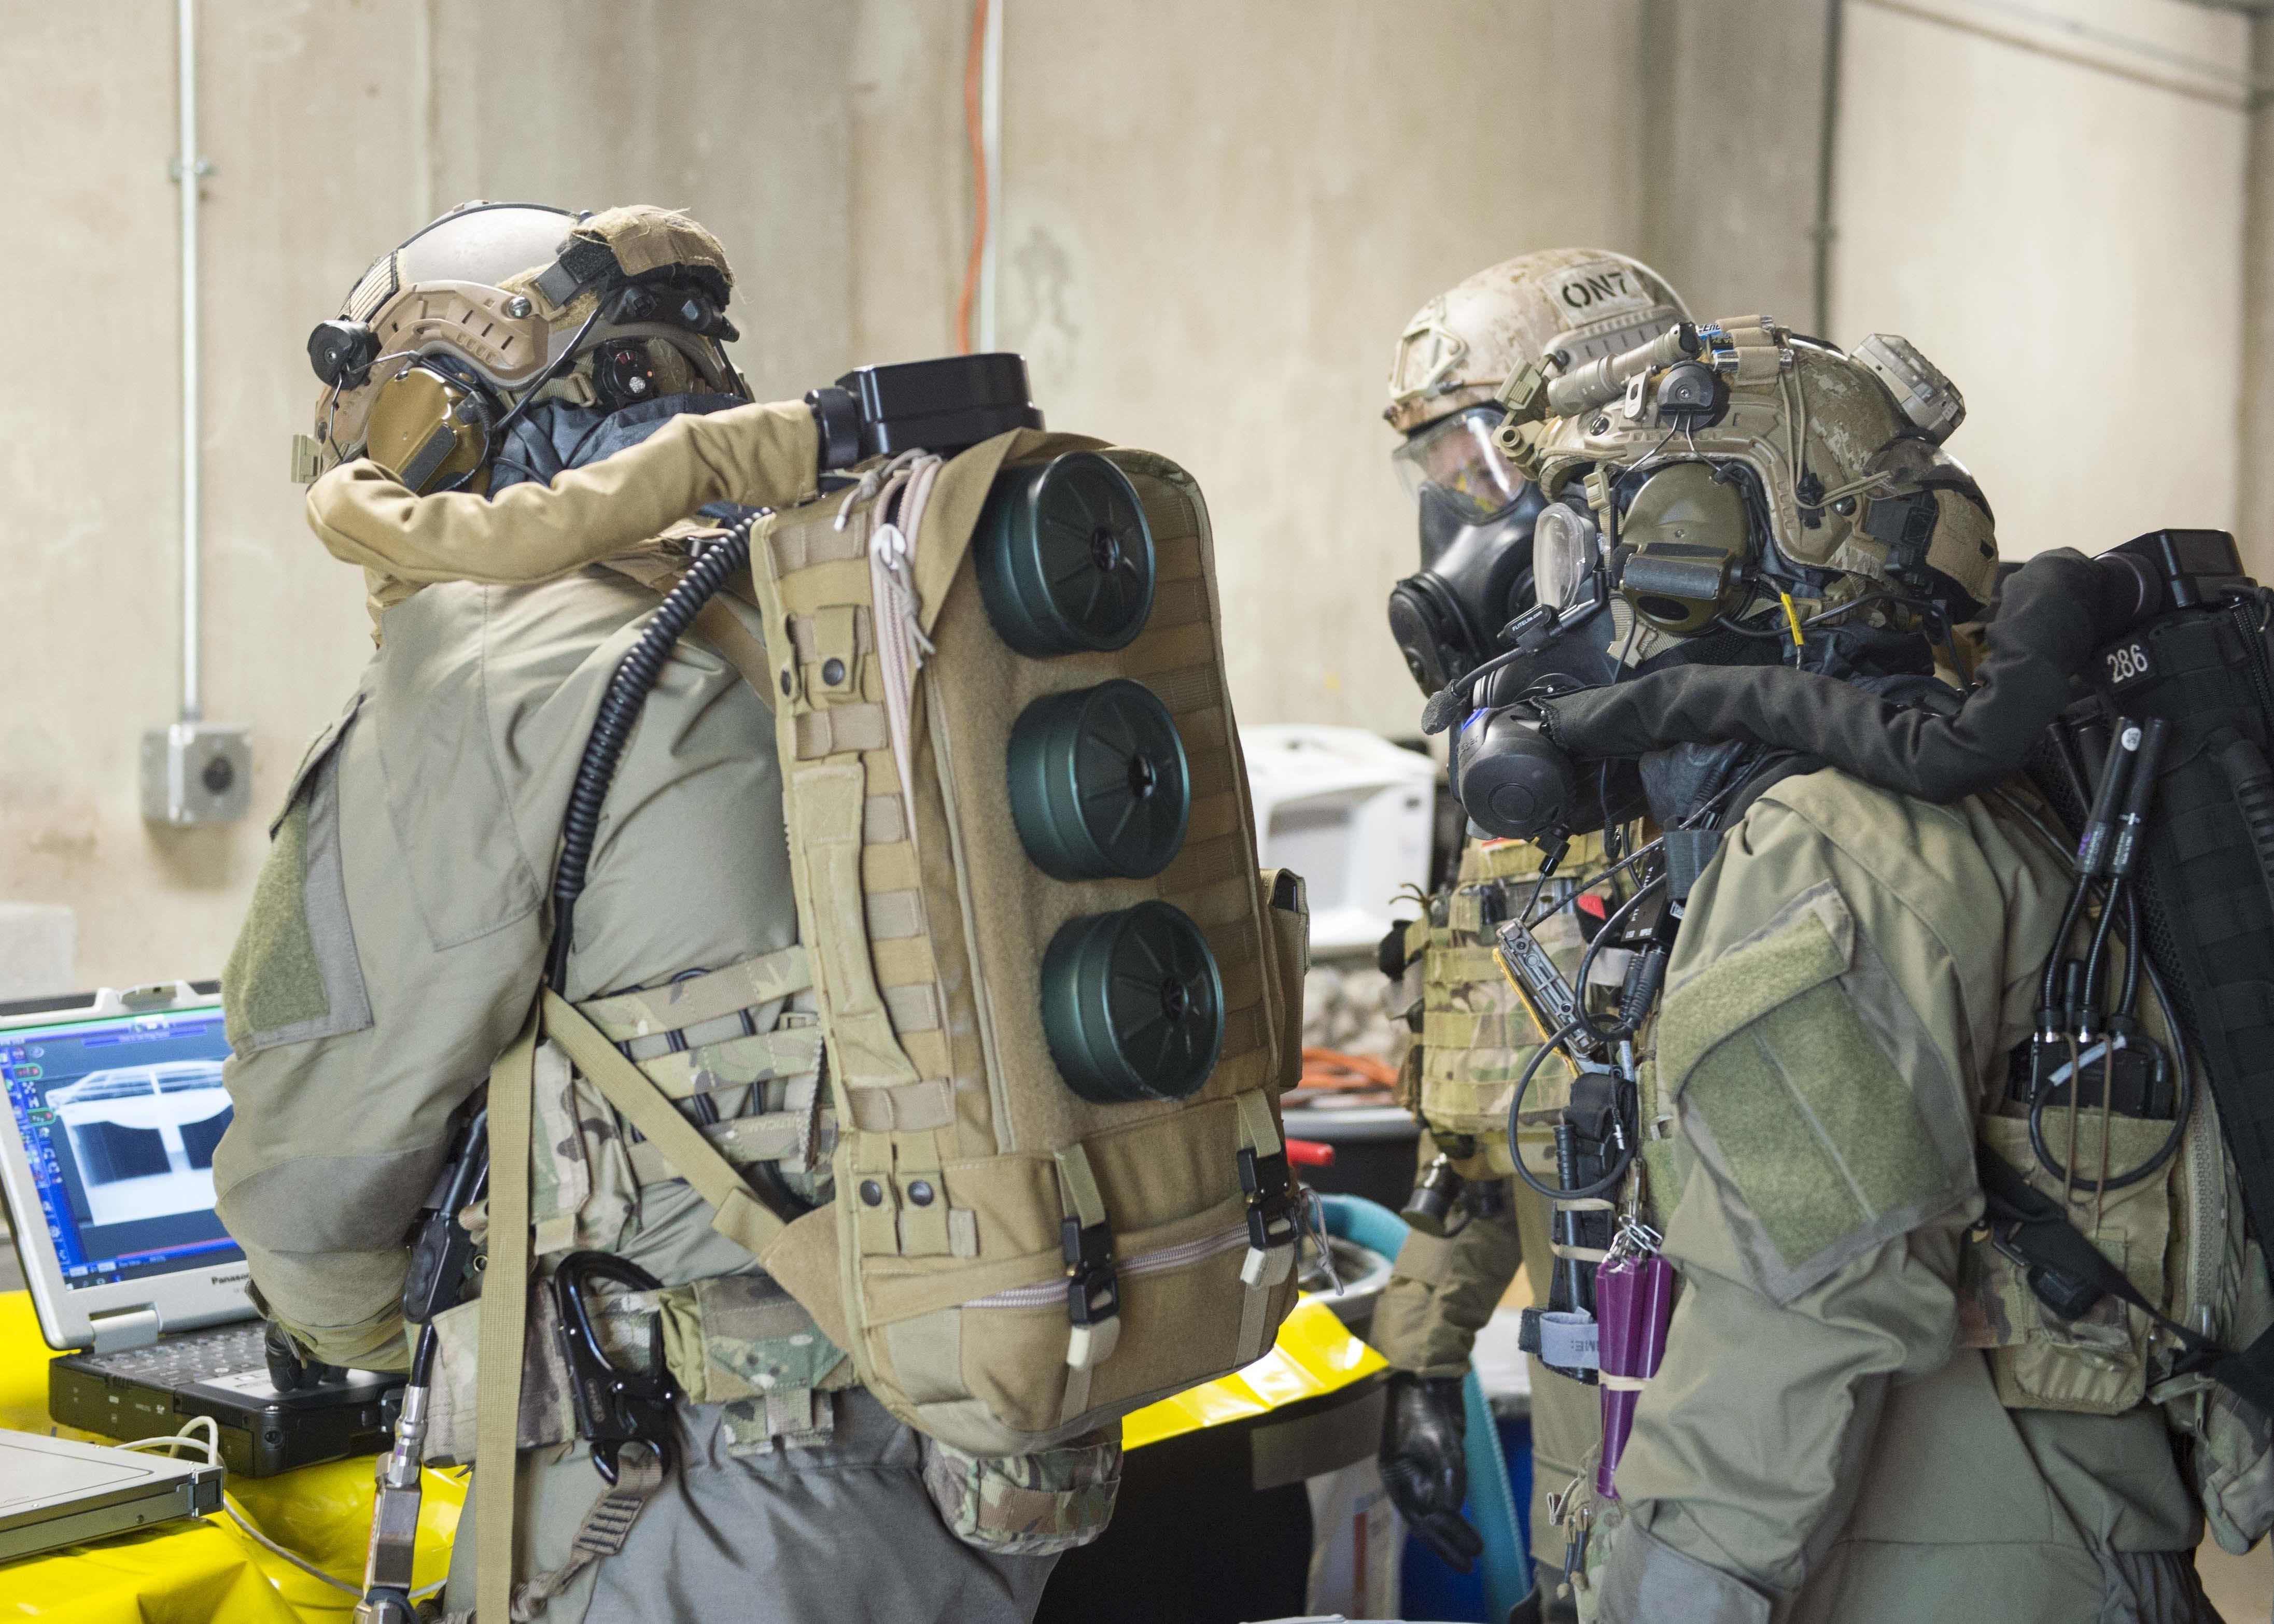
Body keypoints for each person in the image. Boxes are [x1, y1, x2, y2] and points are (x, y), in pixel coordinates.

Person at [216, 201, 1057, 1622]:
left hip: (709, 1485)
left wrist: (340, 1325)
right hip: (996, 1431)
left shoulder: (492, 662)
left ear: (443, 424)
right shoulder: (859, 605)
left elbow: (318, 1151)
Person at [1445, 313, 2244, 1621]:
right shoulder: (1977, 797)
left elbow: (1805, 1290)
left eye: (1592, 541)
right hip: (2040, 1549)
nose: (1569, 601)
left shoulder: (1835, 840)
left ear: (1699, 548)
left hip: (1950, 1571)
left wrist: (1661, 1595)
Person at [1371, 247, 1688, 1623]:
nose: (1466, 522)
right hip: (1583, 1458)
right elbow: (1480, 1107)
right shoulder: (1528, 788)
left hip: (1730, 1467)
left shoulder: (1759, 772)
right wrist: (1419, 1356)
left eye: (1492, 465)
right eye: (1440, 475)